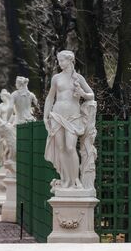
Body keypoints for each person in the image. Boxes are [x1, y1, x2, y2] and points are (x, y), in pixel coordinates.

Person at [44, 50, 96, 191]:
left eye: (62, 60)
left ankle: (76, 180)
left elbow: (91, 95)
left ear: (70, 60)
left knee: (71, 147)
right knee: (61, 148)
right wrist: (45, 115)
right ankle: (66, 180)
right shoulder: (56, 78)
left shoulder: (78, 78)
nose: (60, 63)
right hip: (57, 114)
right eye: (59, 61)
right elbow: (50, 97)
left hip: (73, 116)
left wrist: (82, 94)